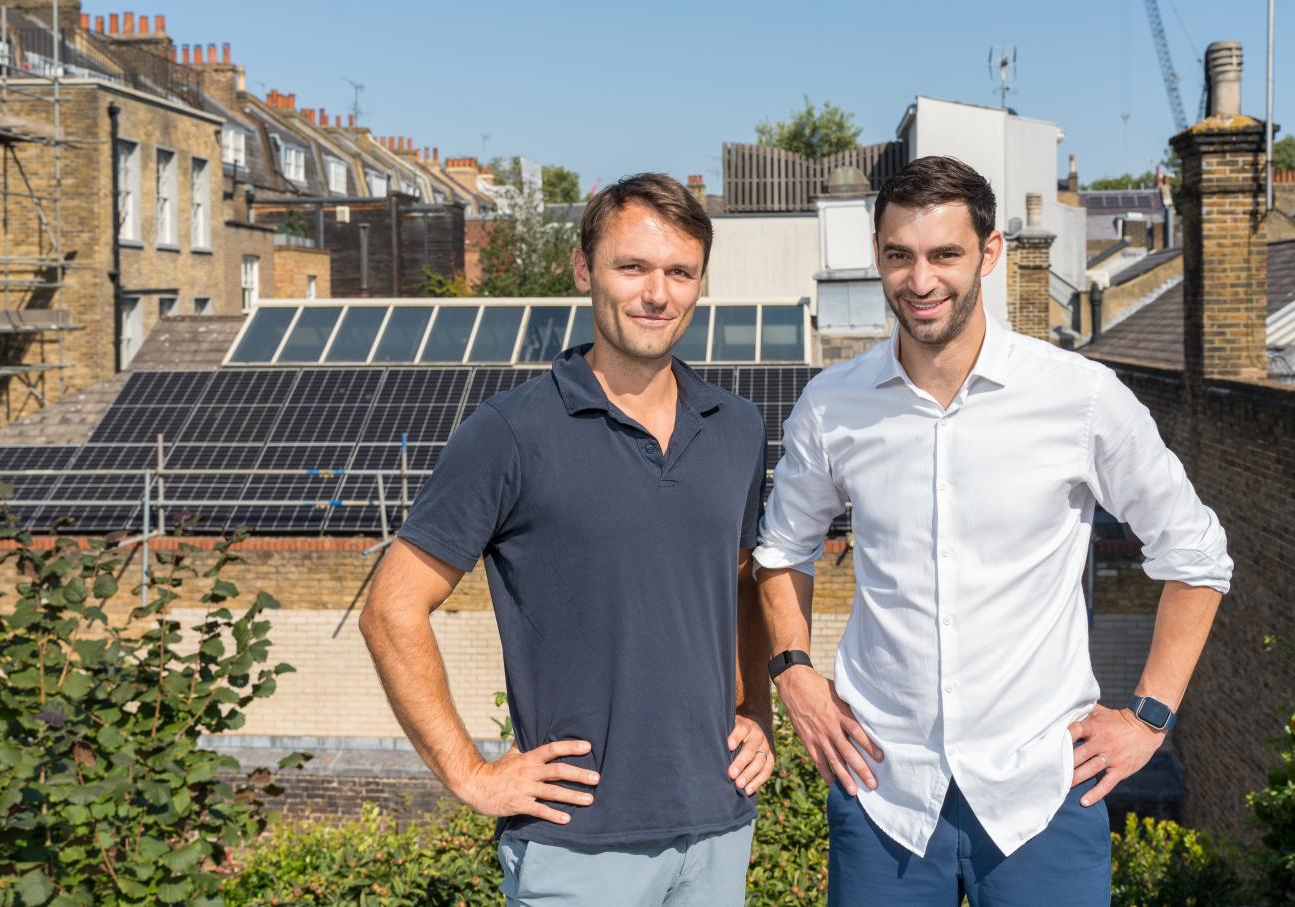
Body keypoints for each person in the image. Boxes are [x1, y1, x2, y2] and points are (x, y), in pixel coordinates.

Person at [753, 155, 1232, 906]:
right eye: (900, 255)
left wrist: (1148, 716)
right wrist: (793, 673)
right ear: (877, 255)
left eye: (945, 254)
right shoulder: (832, 404)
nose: (921, 280)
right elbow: (782, 549)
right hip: (881, 787)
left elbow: (1197, 554)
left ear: (991, 252)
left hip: (1042, 792)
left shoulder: (1079, 397)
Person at [359, 172, 774, 906]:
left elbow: (741, 583)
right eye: (632, 267)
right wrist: (469, 773)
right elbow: (390, 609)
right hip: (576, 844)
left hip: (718, 829)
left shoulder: (737, 427)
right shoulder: (509, 433)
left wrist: (757, 714)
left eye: (680, 272)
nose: (657, 294)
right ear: (584, 269)